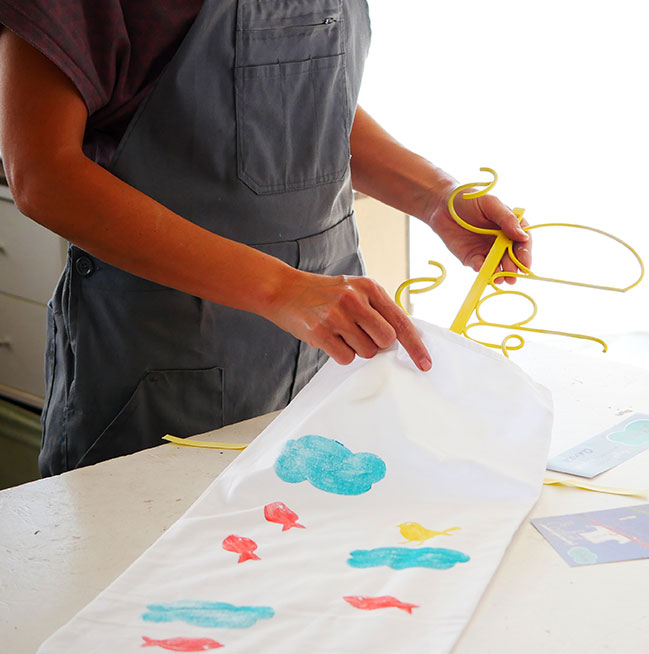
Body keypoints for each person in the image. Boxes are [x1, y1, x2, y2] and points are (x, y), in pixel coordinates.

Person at [0, 0, 531, 476]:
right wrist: (283, 290)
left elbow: (300, 100)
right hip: (160, 367)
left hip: (324, 356)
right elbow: (43, 175)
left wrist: (436, 198)